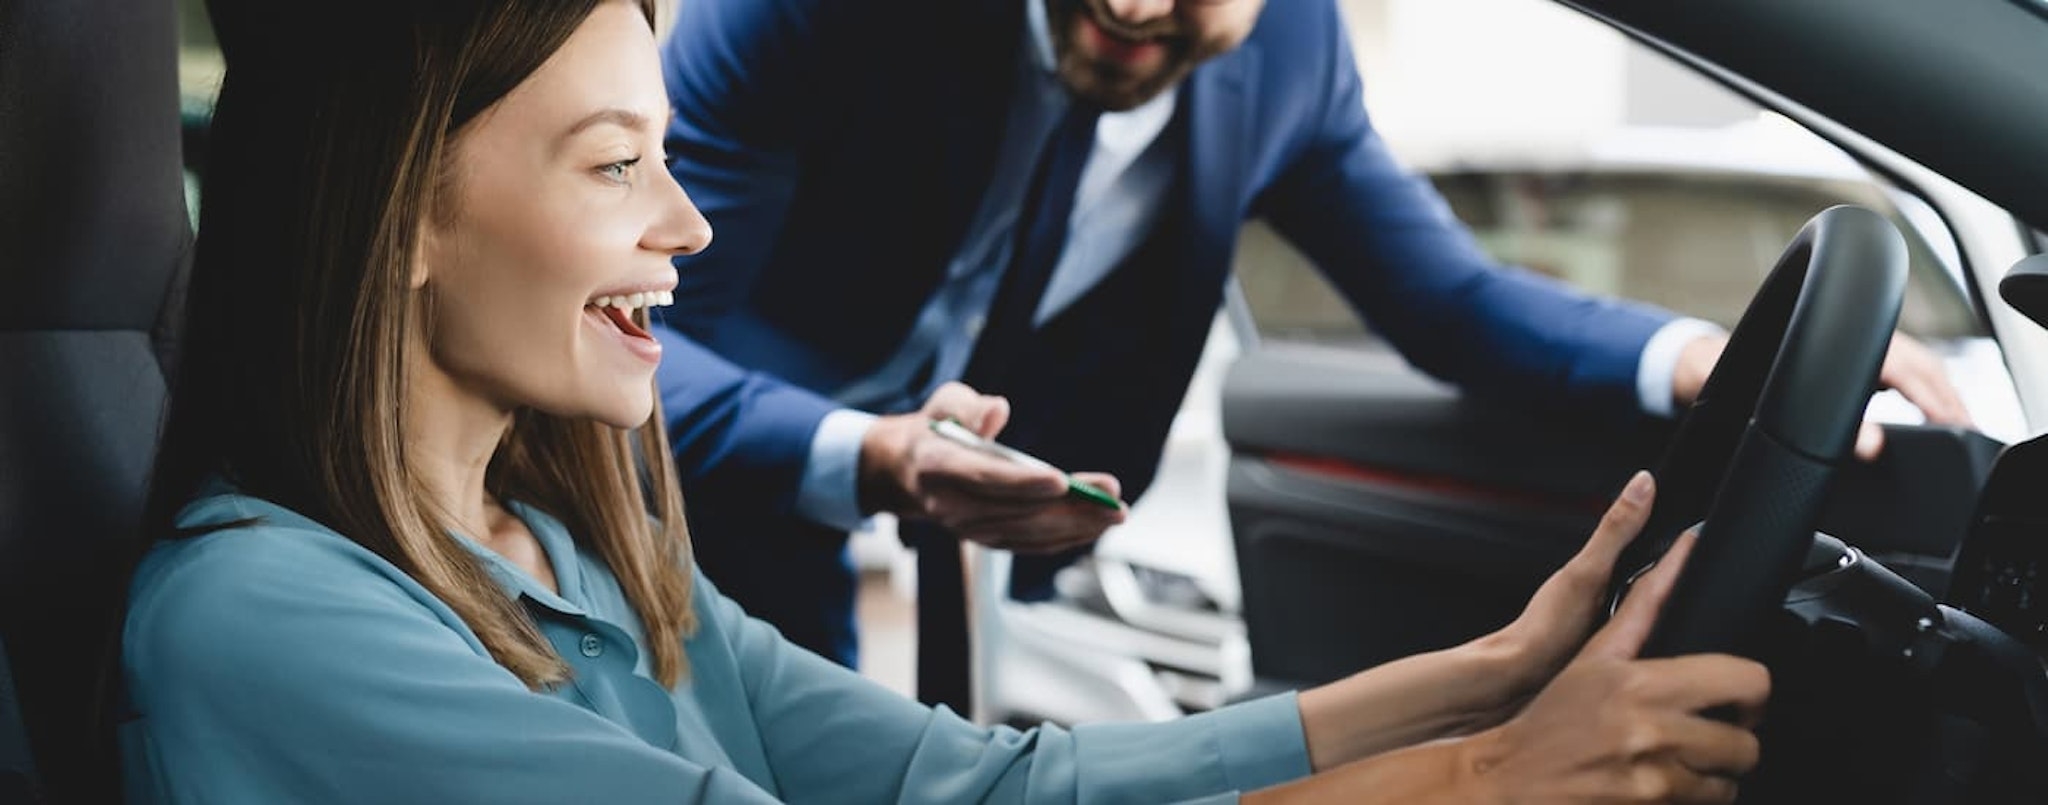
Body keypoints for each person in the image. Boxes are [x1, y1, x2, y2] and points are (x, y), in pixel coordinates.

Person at [117, 0, 1772, 800]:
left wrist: (1479, 682)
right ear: (399, 207)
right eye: (620, 166)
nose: (691, 226)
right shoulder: (261, 615)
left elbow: (981, 789)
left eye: (669, 163)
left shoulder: (583, 552)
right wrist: (1486, 781)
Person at [647, 0, 1976, 688]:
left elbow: (1445, 300)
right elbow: (650, 337)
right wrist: (863, 457)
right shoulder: (816, 11)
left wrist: (1694, 357)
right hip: (682, 489)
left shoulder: (1287, 60)